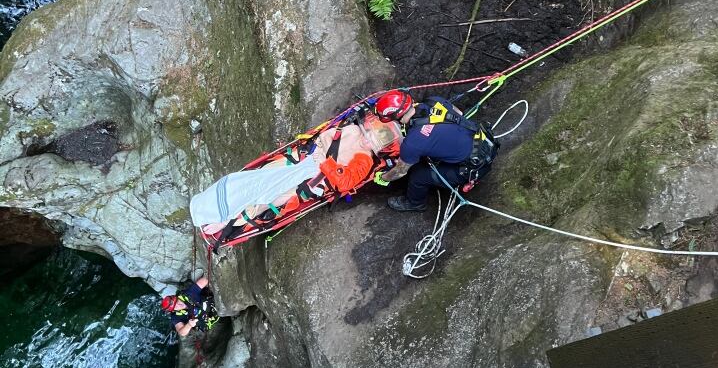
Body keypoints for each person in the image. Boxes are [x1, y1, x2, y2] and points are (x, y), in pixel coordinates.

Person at [190, 114, 403, 235]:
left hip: (312, 176)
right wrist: (324, 157)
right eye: (371, 135)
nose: (369, 140)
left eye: (374, 141)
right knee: (250, 180)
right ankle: (212, 206)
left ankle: (226, 221)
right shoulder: (353, 130)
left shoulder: (364, 160)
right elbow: (325, 139)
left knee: (266, 198)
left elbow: (345, 182)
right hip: (304, 160)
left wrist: (326, 163)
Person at [373, 90, 498, 212]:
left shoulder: (413, 143)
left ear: (395, 117)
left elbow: (400, 172)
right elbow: (458, 113)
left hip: (472, 168)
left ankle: (415, 204)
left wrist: (383, 178)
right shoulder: (434, 101)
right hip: (484, 143)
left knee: (418, 175)